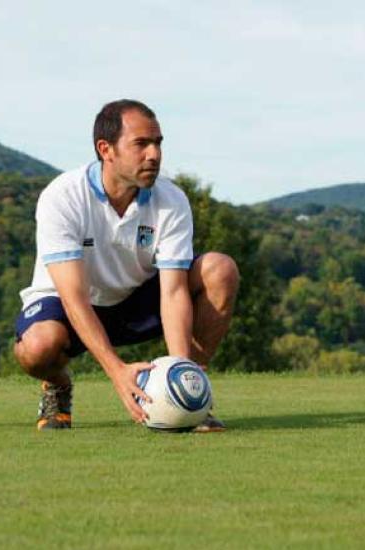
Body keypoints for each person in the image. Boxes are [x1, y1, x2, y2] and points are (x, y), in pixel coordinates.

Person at [14, 99, 239, 431]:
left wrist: (178, 371)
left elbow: (174, 291)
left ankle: (187, 394)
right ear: (106, 149)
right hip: (71, 305)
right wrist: (117, 372)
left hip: (134, 301)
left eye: (158, 143)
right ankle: (58, 385)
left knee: (220, 269)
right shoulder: (62, 196)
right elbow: (74, 297)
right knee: (36, 348)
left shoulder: (172, 200)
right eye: (141, 144)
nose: (154, 154)